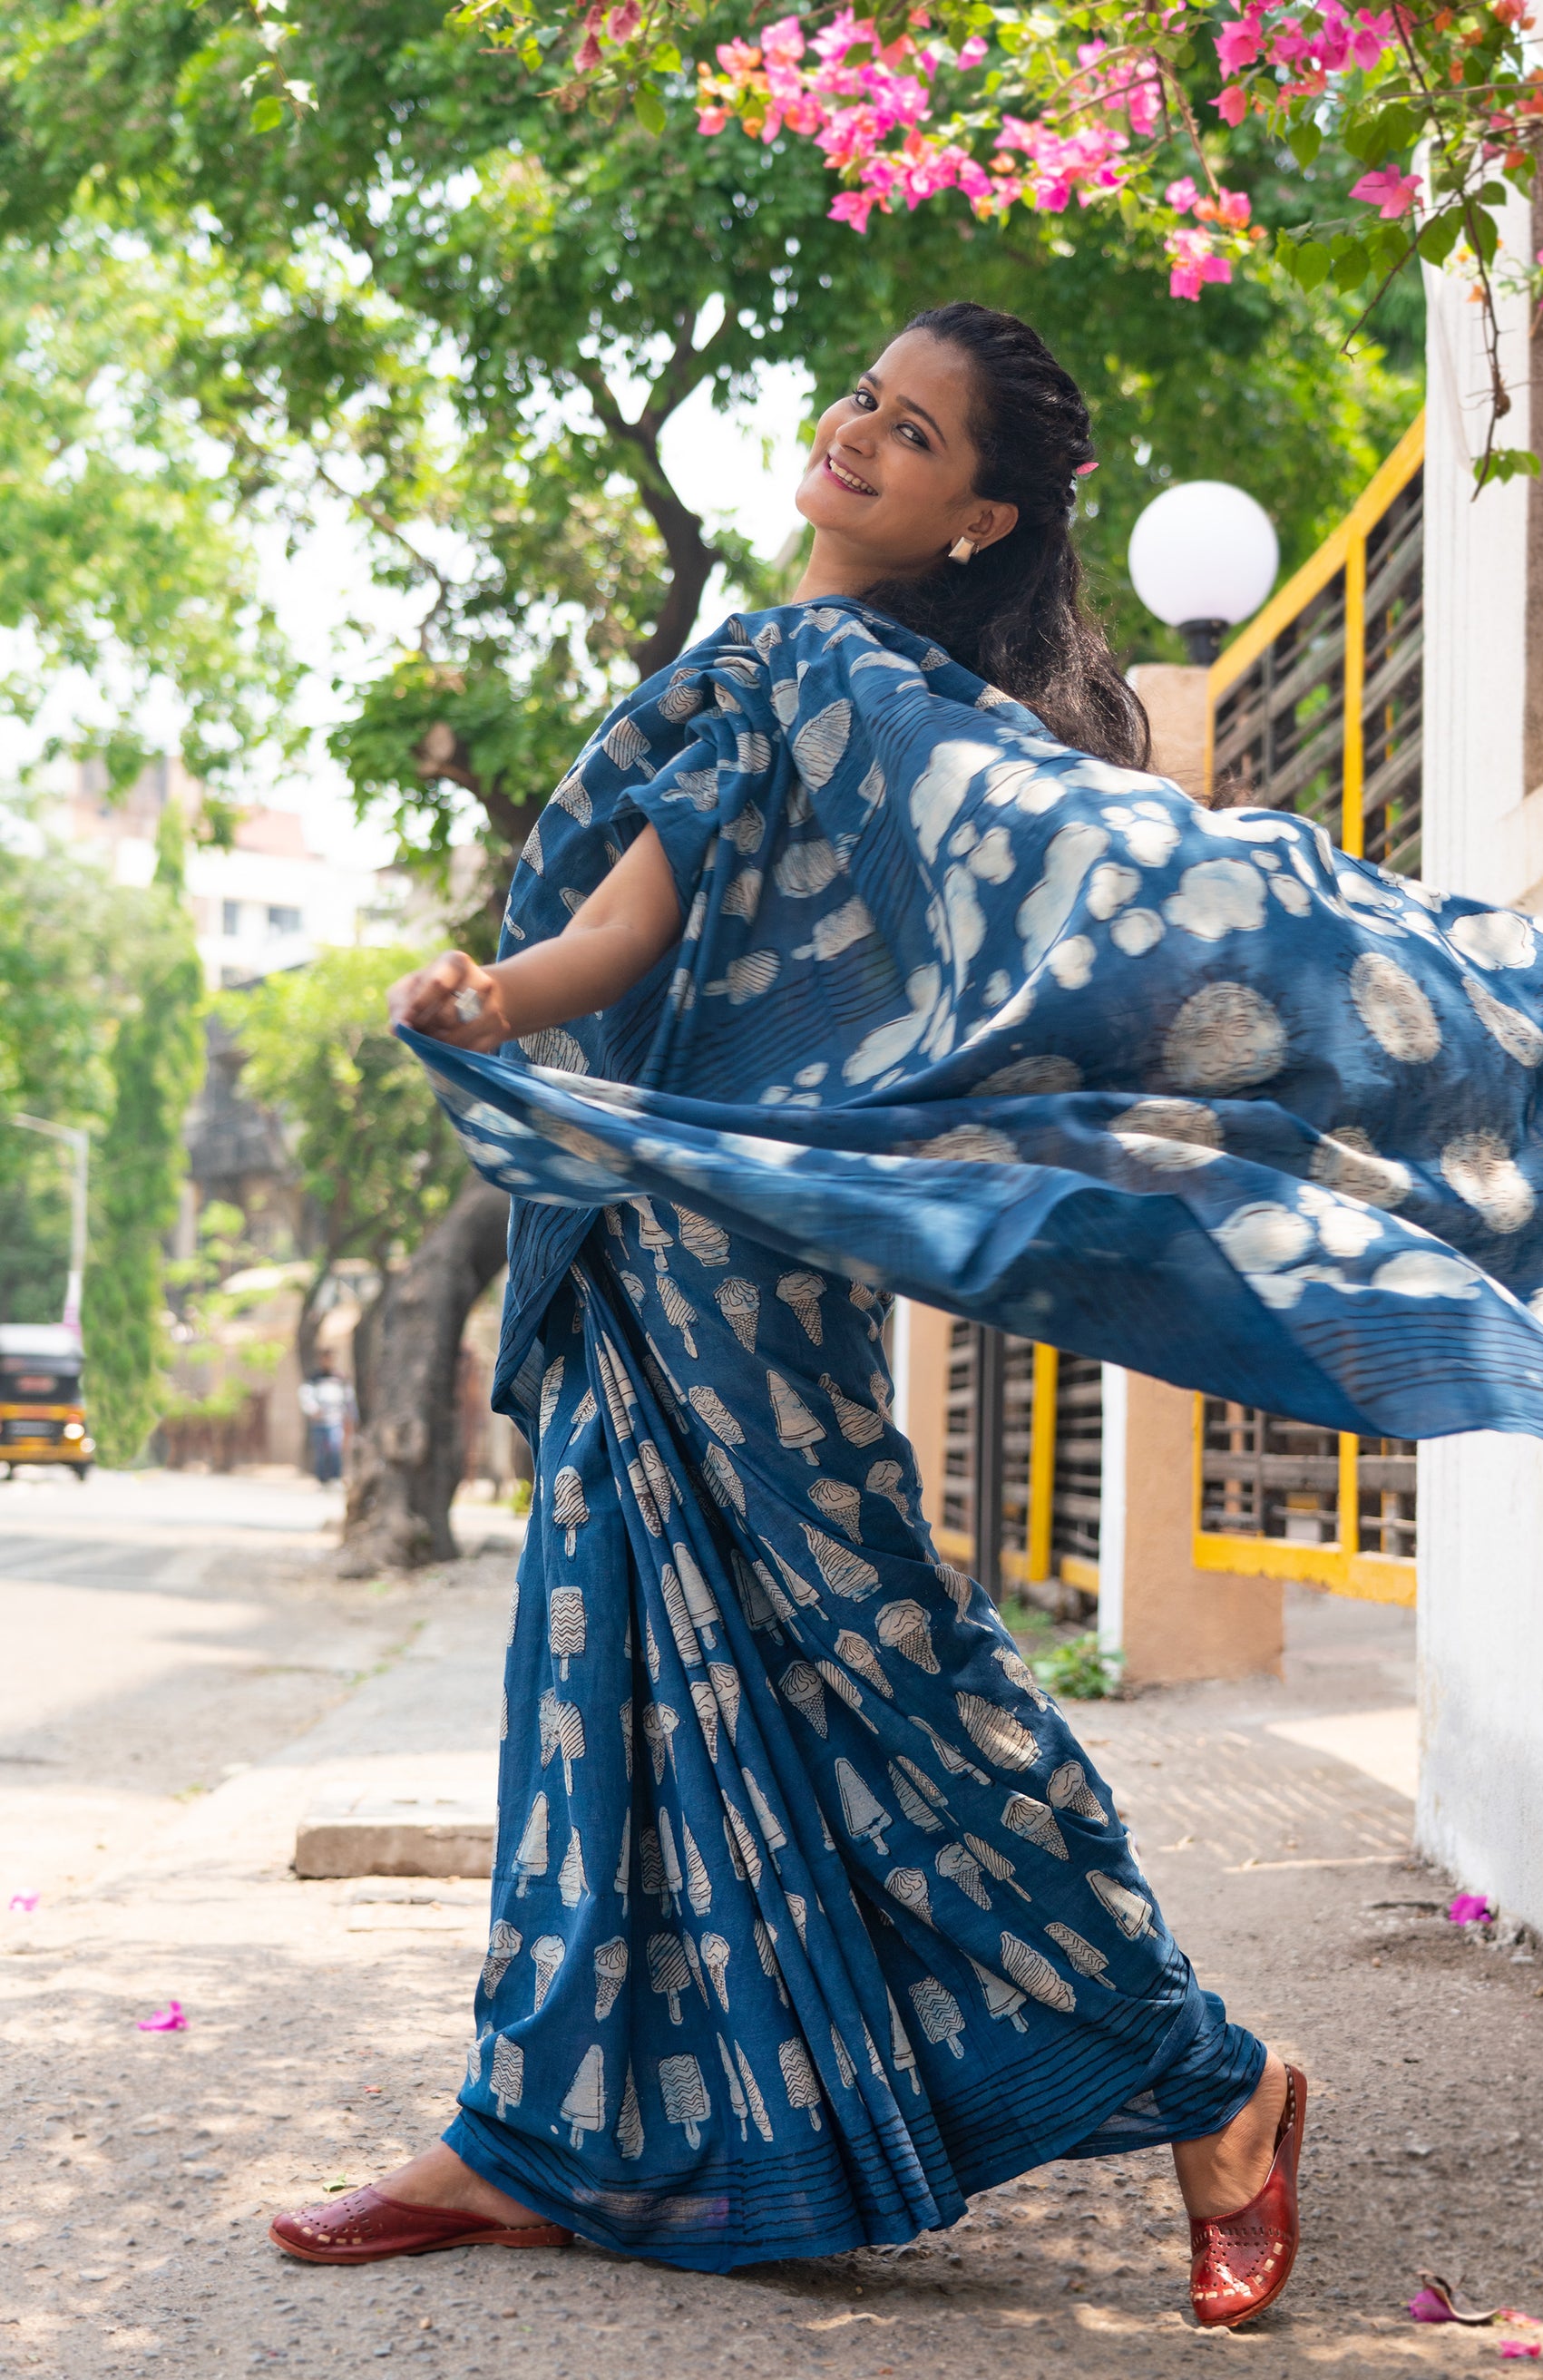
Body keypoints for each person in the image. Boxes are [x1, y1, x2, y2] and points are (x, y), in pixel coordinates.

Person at [269, 306, 1305, 2328]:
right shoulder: (782, 667)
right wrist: (495, 1000)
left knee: (894, 1683)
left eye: (910, 435)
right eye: (861, 399)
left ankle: (1221, 2083)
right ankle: (525, 2133)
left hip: (750, 1270)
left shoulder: (851, 683)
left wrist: (517, 997)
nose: (858, 436)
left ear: (974, 512)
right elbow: (628, 926)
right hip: (662, 1244)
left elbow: (922, 968)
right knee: (612, 1696)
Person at [297, 1353, 356, 1487]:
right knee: (321, 1450)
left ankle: (335, 1477)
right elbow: (306, 1396)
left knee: (335, 1448)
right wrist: (313, 1410)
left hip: (335, 1419)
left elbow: (348, 1399)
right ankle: (322, 1479)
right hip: (319, 1421)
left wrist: (349, 1416)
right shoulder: (314, 1379)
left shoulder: (339, 1378)